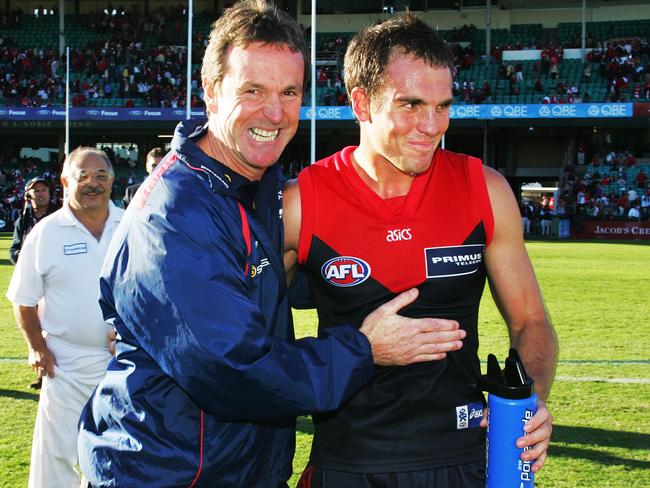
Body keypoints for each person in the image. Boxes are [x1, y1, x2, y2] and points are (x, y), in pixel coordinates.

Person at [77, 2, 464, 487]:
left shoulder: (254, 185)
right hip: (170, 474)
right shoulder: (174, 216)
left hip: (234, 468)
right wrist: (364, 350)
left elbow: (284, 284)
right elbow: (235, 370)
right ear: (212, 93)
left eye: (289, 92)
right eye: (253, 90)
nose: (276, 113)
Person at [283, 14, 558, 487]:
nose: (431, 126)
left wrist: (530, 397)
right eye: (410, 105)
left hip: (463, 461)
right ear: (362, 103)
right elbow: (252, 345)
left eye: (442, 106)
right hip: (348, 464)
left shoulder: (485, 190)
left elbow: (531, 321)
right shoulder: (301, 203)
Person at [6, 147, 123, 488]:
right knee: (56, 456)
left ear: (112, 181)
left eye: (101, 176)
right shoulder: (46, 233)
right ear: (64, 181)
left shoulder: (132, 223)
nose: (92, 183)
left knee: (119, 450)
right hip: (65, 362)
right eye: (82, 176)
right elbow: (23, 301)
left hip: (123, 363)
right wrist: (37, 347)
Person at [9, 176, 60, 390]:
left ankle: (57, 369)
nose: (41, 193)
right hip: (33, 285)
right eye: (36, 190)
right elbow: (13, 250)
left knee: (55, 328)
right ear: (29, 195)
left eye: (44, 190)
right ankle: (42, 373)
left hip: (55, 283)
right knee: (35, 329)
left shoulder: (59, 216)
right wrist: (29, 258)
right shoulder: (23, 220)